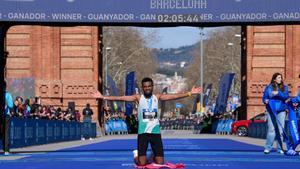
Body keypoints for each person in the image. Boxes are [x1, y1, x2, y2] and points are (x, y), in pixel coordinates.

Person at [92, 77, 201, 166]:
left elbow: (174, 96)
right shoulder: (138, 98)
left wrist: (190, 93)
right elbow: (121, 98)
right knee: (141, 163)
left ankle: (152, 155)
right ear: (142, 88)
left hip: (155, 132)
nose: (147, 88)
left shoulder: (157, 97)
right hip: (143, 133)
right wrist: (102, 97)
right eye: (145, 87)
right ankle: (136, 154)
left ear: (152, 87)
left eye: (149, 86)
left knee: (160, 163)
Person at [262, 73, 289, 154]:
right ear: (274, 79)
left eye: (281, 77)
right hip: (271, 110)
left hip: (281, 110)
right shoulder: (269, 87)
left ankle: (280, 148)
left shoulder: (285, 87)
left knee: (281, 130)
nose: (280, 79)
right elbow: (265, 97)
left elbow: (285, 96)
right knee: (271, 129)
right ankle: (267, 148)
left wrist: (278, 93)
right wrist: (265, 100)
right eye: (278, 77)